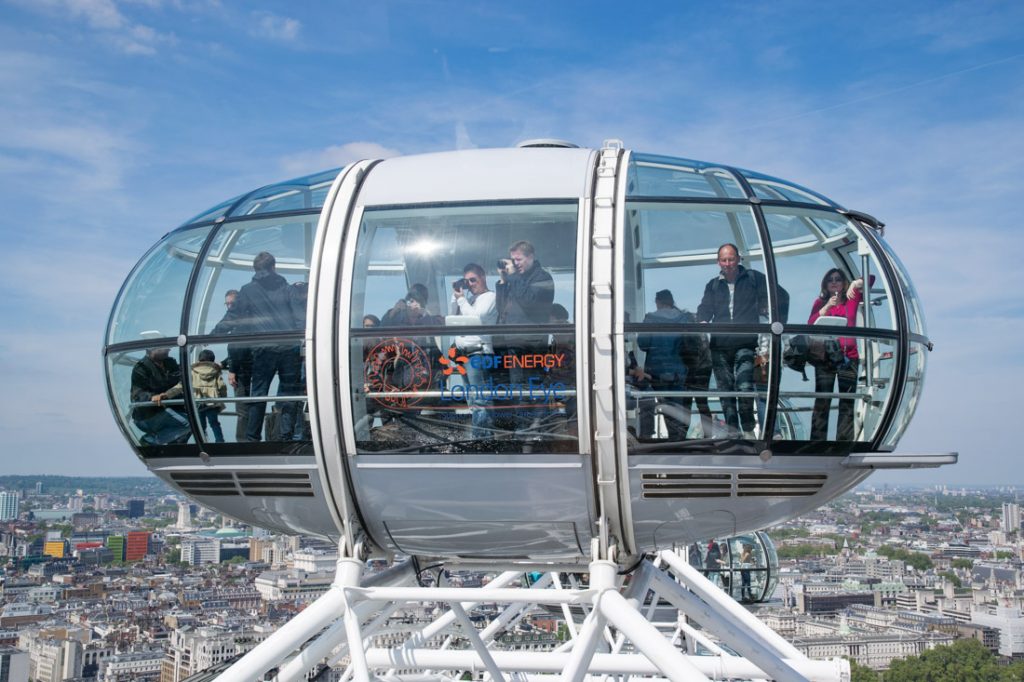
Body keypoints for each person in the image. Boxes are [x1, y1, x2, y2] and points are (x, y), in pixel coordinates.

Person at [697, 244, 788, 438]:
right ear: (718, 262)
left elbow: (781, 296)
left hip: (746, 343)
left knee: (745, 386)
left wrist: (775, 319)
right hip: (720, 346)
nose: (728, 264)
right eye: (724, 260)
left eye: (731, 259)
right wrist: (703, 321)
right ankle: (733, 431)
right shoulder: (712, 285)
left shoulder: (755, 279)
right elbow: (705, 308)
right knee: (725, 391)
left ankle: (747, 429)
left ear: (738, 259)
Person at [215, 252, 305, 442]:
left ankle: (252, 437)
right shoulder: (288, 290)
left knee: (259, 393)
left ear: (255, 269)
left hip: (263, 351)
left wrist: (213, 335)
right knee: (289, 394)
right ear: (274, 267)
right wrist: (300, 342)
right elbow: (300, 320)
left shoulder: (247, 291)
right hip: (289, 350)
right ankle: (285, 436)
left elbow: (233, 317)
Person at [495, 241, 555, 433]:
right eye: (513, 260)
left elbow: (530, 301)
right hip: (513, 344)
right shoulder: (515, 279)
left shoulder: (543, 278)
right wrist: (504, 282)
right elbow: (501, 308)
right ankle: (523, 434)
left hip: (532, 345)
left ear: (531, 256)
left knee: (532, 392)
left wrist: (513, 277)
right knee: (517, 392)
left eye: (518, 259)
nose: (515, 263)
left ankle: (537, 433)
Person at [808, 269, 864, 440]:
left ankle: (843, 441)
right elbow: (810, 325)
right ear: (825, 284)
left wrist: (855, 284)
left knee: (847, 401)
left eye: (838, 279)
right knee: (822, 401)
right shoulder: (820, 303)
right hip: (825, 358)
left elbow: (870, 279)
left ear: (843, 282)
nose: (834, 282)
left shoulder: (851, 299)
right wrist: (826, 307)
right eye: (830, 280)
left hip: (849, 357)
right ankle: (817, 442)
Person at [636, 289, 693, 440]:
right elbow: (689, 344)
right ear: (671, 301)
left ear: (658, 302)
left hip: (656, 370)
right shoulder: (683, 318)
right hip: (678, 370)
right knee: (676, 408)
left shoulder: (650, 319)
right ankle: (677, 440)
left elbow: (643, 343)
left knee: (651, 404)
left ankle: (649, 437)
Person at [449, 264, 497, 438]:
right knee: (472, 400)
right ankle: (482, 437)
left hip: (479, 353)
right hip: (464, 354)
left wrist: (462, 300)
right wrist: (456, 296)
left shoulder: (490, 297)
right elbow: (452, 317)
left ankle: (483, 440)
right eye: (466, 281)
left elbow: (475, 320)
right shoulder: (469, 300)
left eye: (473, 280)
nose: (470, 284)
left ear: (483, 277)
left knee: (480, 400)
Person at [130, 347, 190, 445]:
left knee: (196, 417)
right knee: (189, 423)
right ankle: (150, 440)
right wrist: (153, 397)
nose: (168, 351)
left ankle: (174, 448)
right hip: (149, 415)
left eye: (167, 349)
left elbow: (181, 381)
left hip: (171, 409)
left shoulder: (170, 364)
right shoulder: (141, 368)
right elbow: (138, 394)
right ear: (151, 350)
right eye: (163, 349)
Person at [220, 289, 252, 442]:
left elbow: (236, 347)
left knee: (242, 409)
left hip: (243, 371)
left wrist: (232, 370)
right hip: (254, 368)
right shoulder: (251, 317)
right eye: (227, 304)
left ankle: (243, 442)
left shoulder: (238, 321)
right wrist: (224, 363)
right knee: (252, 407)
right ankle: (252, 439)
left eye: (232, 303)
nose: (229, 307)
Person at [191, 349, 227, 443]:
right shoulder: (215, 371)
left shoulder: (193, 371)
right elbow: (222, 386)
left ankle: (201, 443)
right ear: (212, 361)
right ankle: (220, 442)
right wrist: (223, 398)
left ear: (199, 360)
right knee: (214, 424)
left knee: (200, 425)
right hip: (212, 402)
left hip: (198, 402)